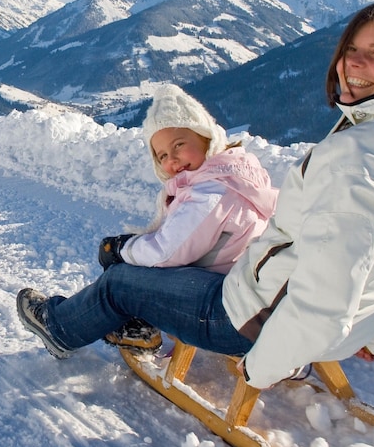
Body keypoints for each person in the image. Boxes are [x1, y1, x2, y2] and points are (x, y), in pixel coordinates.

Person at [17, 0, 374, 390]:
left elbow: (326, 296)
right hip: (325, 321)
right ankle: (136, 321)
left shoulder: (358, 158)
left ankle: (60, 327)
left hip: (247, 316)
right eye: (351, 48)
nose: (353, 63)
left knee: (119, 280)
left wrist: (265, 366)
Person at [95, 84, 278, 350]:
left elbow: (166, 252)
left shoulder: (211, 193)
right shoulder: (237, 175)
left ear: (206, 137)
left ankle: (131, 326)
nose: (173, 159)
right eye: (163, 156)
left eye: (179, 145)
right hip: (245, 288)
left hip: (222, 304)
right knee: (133, 255)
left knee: (119, 265)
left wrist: (122, 248)